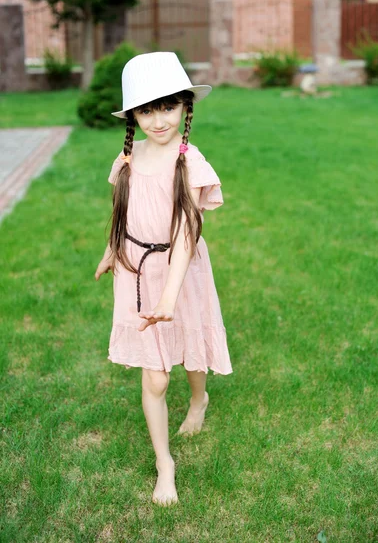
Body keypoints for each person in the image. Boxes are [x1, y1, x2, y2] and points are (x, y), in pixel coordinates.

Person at [95, 51, 233, 507]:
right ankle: (164, 464)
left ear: (185, 108)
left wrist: (171, 296)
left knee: (191, 355)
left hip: (181, 274)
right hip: (138, 274)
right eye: (147, 109)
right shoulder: (130, 158)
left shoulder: (188, 163)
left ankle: (199, 399)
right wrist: (112, 250)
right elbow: (125, 211)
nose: (159, 120)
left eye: (168, 107)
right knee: (154, 379)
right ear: (133, 115)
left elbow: (185, 237)